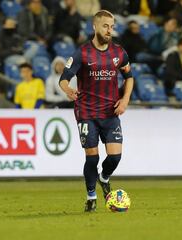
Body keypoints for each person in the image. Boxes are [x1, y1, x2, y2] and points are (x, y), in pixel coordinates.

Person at [59, 10, 134, 212]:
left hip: (111, 113)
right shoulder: (82, 53)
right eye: (105, 26)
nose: (109, 30)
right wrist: (68, 90)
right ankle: (91, 197)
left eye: (112, 26)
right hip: (87, 112)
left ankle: (104, 178)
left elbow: (129, 77)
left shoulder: (119, 52)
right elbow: (64, 78)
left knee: (115, 157)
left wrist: (125, 100)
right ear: (95, 27)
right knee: (92, 158)